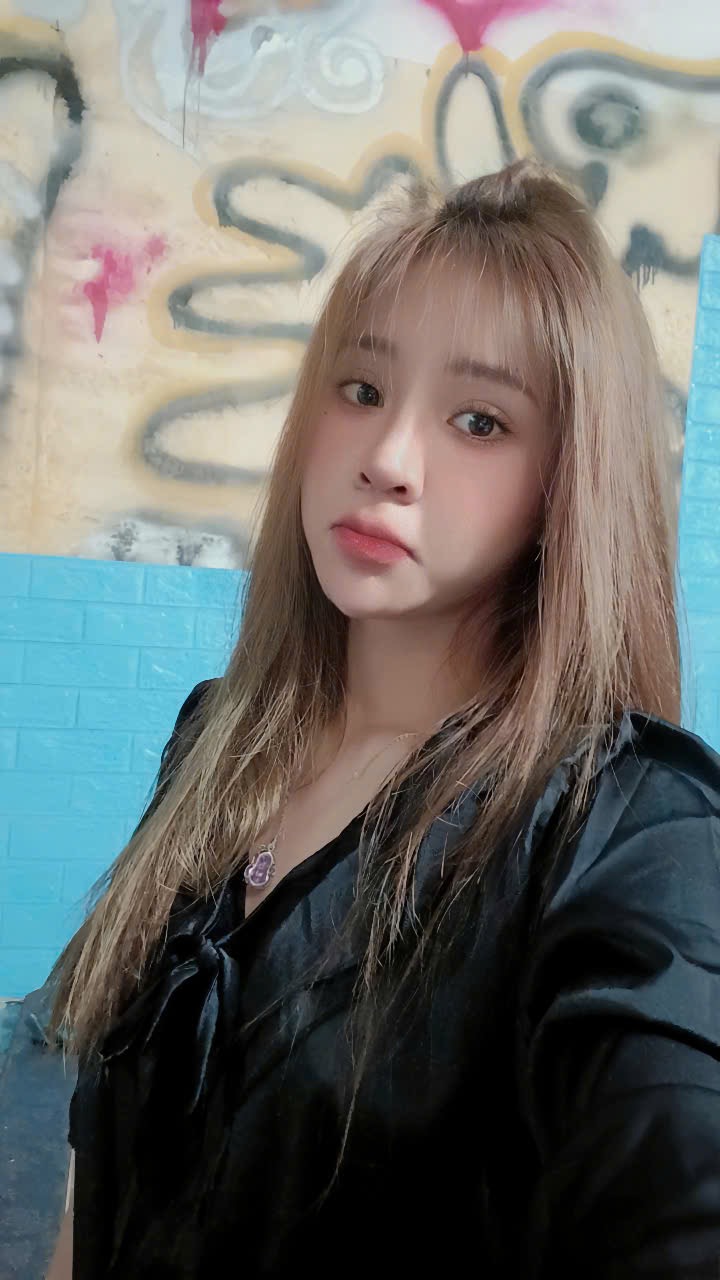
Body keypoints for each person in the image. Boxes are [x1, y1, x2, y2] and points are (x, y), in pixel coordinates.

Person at [47, 160, 720, 1279]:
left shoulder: (628, 831)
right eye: (361, 389)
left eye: (479, 420)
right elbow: (101, 1166)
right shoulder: (217, 741)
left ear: (566, 482)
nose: (388, 460)